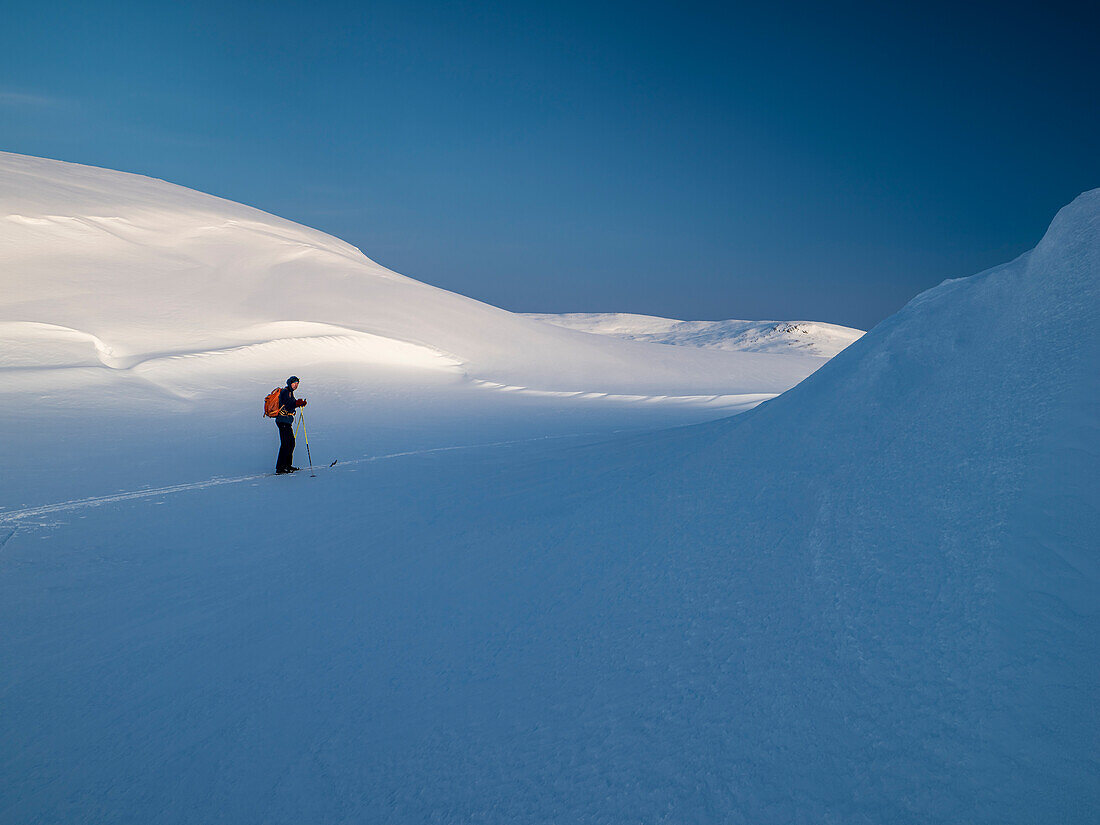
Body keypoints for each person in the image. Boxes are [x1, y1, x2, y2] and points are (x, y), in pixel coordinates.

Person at [275, 376, 307, 474]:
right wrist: (297, 403)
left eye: (297, 383)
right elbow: (288, 405)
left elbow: (290, 404)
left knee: (290, 443)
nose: (296, 385)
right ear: (290, 383)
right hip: (283, 421)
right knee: (286, 444)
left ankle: (287, 465)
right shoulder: (285, 392)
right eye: (294, 383)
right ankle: (281, 467)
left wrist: (299, 403)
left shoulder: (290, 393)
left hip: (286, 421)